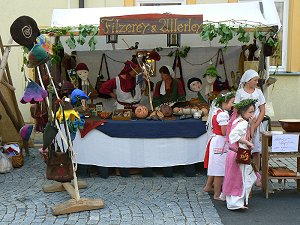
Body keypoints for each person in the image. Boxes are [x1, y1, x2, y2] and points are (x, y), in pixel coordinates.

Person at [222, 98, 257, 210]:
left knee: (237, 177)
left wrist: (251, 124)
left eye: (253, 112)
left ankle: (236, 200)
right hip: (239, 153)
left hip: (235, 153)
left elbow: (249, 135)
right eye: (250, 112)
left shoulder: (240, 121)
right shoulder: (242, 123)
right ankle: (236, 203)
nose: (252, 114)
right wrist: (247, 143)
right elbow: (233, 136)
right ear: (243, 112)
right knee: (240, 178)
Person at [235, 69, 265, 186]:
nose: (257, 82)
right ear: (248, 81)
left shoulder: (258, 92)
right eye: (255, 80)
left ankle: (257, 175)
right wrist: (244, 123)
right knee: (244, 149)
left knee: (256, 151)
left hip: (256, 124)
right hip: (243, 125)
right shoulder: (240, 93)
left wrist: (256, 124)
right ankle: (244, 174)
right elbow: (237, 110)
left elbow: (262, 110)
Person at [203, 91, 235, 200]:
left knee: (216, 166)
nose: (233, 105)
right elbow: (224, 131)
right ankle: (217, 194)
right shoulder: (223, 114)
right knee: (219, 170)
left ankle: (209, 187)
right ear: (225, 102)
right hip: (220, 142)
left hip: (216, 140)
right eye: (232, 102)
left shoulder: (217, 111)